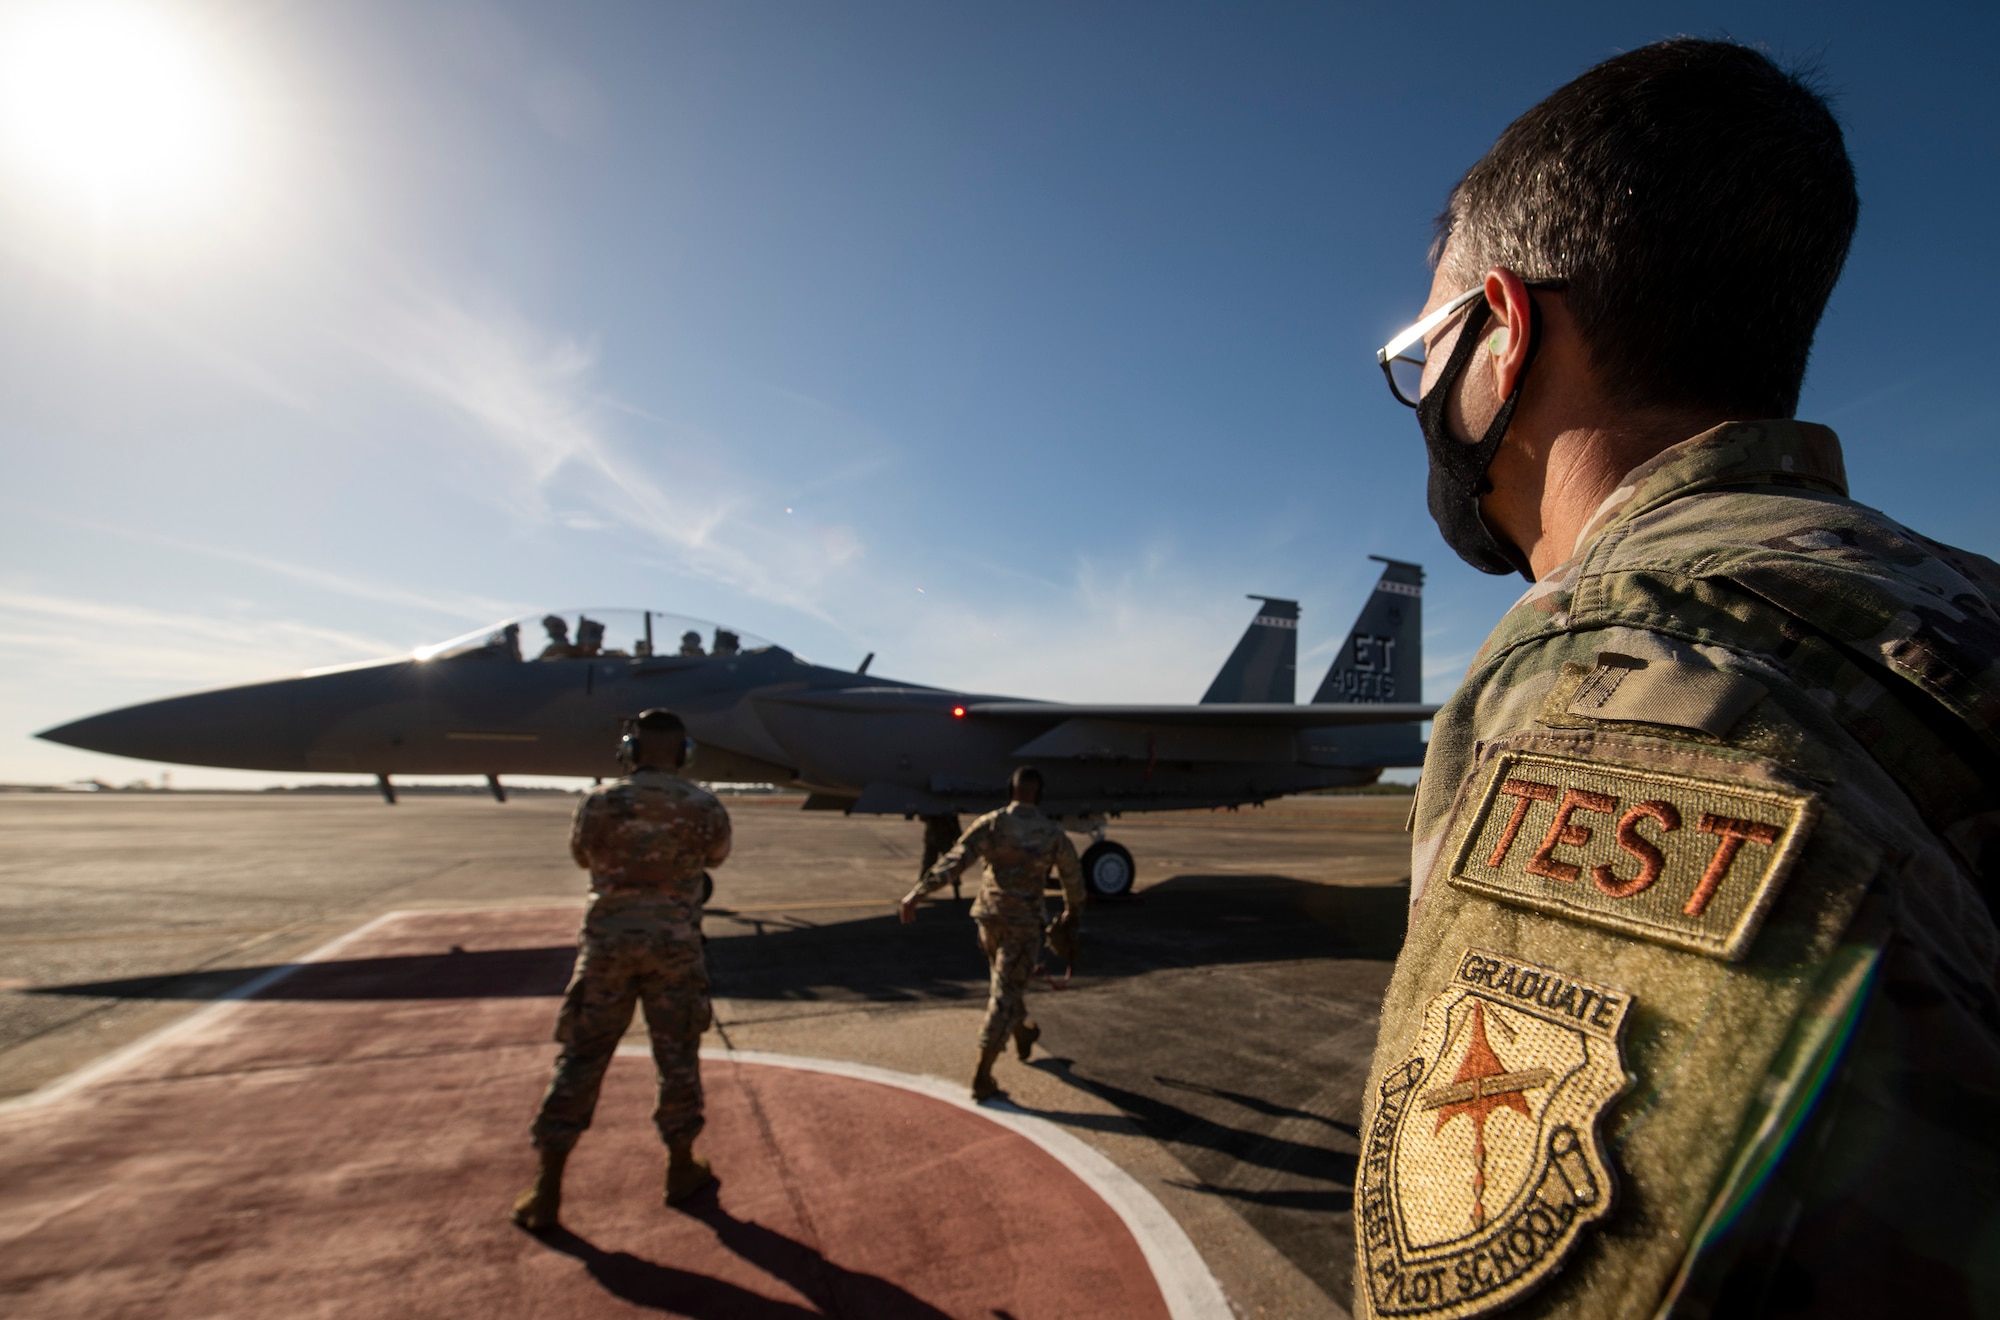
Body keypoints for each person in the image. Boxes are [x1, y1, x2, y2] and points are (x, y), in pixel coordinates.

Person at [1356, 39, 2000, 1318]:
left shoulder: (1615, 668)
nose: (1418, 392)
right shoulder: (1958, 598)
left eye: (1423, 346)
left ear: (1503, 333)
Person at [511, 708, 732, 1232]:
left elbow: (583, 859)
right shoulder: (704, 805)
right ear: (685, 754)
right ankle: (680, 1169)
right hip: (675, 950)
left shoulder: (600, 802)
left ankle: (547, 1188)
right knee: (677, 1056)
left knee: (582, 1057)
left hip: (607, 948)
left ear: (629, 751)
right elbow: (716, 859)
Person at [901, 767, 1083, 1100]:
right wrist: (1072, 914)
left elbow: (954, 861)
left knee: (1006, 984)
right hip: (1023, 926)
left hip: (989, 921)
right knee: (1003, 994)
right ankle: (982, 1075)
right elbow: (1074, 879)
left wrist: (918, 894)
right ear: (1039, 794)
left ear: (1010, 791)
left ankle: (1023, 1032)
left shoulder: (993, 824)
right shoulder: (1051, 833)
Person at [918, 813, 964, 900]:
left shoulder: (946, 810)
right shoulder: (945, 809)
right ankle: (920, 892)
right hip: (937, 838)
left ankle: (956, 890)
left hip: (942, 838)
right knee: (929, 865)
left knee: (951, 866)